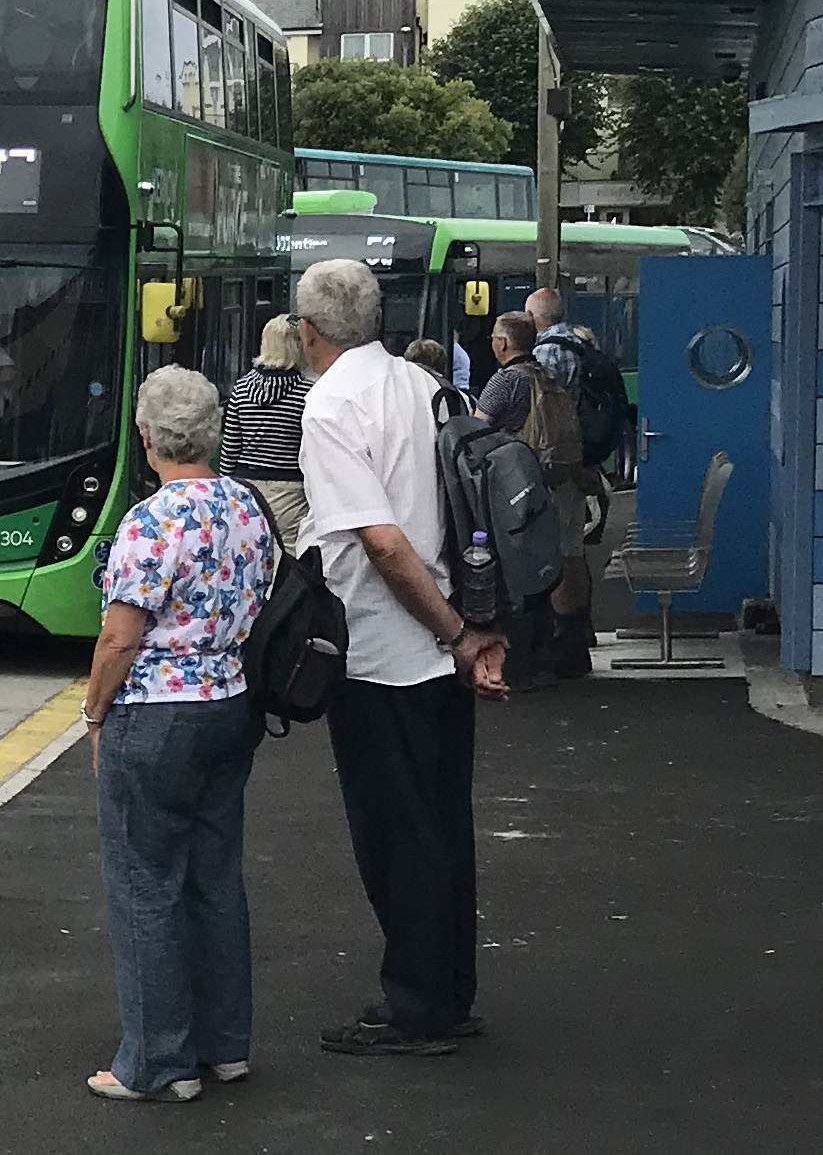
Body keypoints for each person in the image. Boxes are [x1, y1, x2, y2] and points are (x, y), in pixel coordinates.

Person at [293, 258, 508, 1057]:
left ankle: (415, 1006)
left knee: (395, 833)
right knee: (444, 824)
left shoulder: (332, 404)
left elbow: (379, 541)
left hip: (384, 651)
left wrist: (451, 632)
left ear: (307, 331)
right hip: (444, 647)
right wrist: (471, 631)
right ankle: (449, 991)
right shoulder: (425, 387)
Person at [83, 365, 275, 1103]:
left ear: (147, 436)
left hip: (154, 712)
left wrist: (94, 713)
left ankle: (157, 1059)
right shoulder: (245, 507)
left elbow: (118, 638)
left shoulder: (150, 520)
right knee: (213, 878)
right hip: (228, 702)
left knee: (143, 884)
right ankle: (224, 1043)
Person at [471, 311, 582, 688]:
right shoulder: (544, 376)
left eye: (493, 338)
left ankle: (522, 661)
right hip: (548, 479)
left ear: (502, 344)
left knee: (514, 570)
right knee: (547, 562)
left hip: (515, 484)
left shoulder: (505, 381)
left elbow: (476, 428)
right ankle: (554, 652)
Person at [522, 288, 617, 674]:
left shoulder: (547, 353)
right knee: (574, 549)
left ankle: (568, 639)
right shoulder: (578, 342)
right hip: (581, 461)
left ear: (536, 316)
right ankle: (583, 626)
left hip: (560, 466)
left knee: (560, 550)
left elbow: (544, 415)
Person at [219, 315, 311, 540]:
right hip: (290, 493)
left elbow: (230, 449)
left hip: (244, 489)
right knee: (288, 559)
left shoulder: (241, 388)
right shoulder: (307, 394)